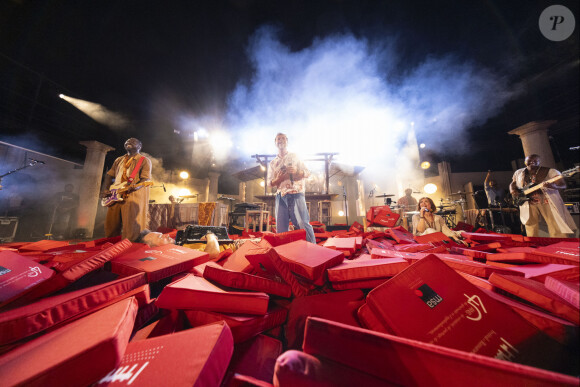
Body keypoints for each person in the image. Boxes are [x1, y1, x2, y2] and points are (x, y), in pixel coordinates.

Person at [509, 154, 576, 238]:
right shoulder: (519, 172)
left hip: (546, 201)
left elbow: (563, 185)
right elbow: (513, 183)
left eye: (535, 160)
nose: (532, 162)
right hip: (528, 202)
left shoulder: (550, 171)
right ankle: (533, 242)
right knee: (530, 224)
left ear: (539, 162)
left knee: (554, 222)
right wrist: (513, 191)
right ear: (525, 161)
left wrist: (553, 186)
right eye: (530, 160)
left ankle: (559, 242)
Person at [100, 138, 152, 242]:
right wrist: (105, 189)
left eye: (133, 141)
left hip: (132, 195)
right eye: (127, 141)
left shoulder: (144, 160)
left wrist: (135, 187)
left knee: (131, 226)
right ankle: (110, 247)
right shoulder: (119, 159)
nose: (129, 142)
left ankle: (129, 248)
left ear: (140, 146)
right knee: (111, 225)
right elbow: (109, 175)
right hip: (115, 195)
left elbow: (145, 179)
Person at [267, 133, 316, 243]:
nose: (281, 140)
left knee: (302, 223)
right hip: (280, 196)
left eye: (283, 138)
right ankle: (285, 254)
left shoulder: (295, 156)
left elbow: (308, 172)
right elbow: (269, 183)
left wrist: (298, 172)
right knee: (281, 228)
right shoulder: (273, 163)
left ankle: (313, 249)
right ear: (275, 142)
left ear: (287, 141)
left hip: (296, 193)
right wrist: (279, 178)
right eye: (278, 139)